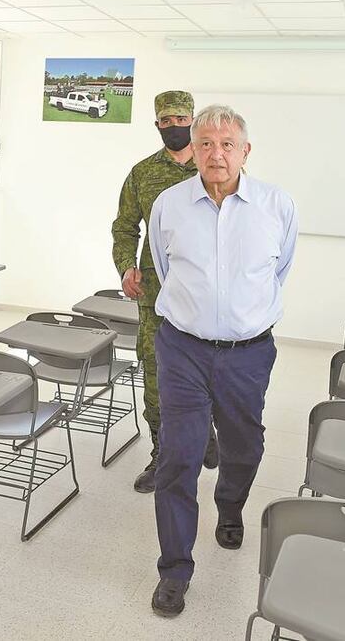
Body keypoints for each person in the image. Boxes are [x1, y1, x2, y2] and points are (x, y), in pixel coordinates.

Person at [147, 104, 298, 617]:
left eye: (227, 144)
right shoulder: (168, 204)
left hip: (247, 354)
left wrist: (236, 319)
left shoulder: (277, 206)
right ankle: (174, 570)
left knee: (244, 446)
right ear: (194, 150)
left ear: (245, 151)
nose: (216, 154)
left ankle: (229, 506)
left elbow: (277, 274)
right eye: (206, 143)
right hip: (183, 349)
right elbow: (164, 271)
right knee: (178, 457)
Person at [111, 90, 220, 494]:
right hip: (156, 293)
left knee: (207, 368)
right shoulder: (142, 173)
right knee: (155, 373)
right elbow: (124, 227)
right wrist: (126, 266)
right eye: (166, 121)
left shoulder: (214, 167)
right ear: (156, 124)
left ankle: (206, 428)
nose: (174, 128)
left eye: (181, 120)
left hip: (206, 292)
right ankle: (161, 453)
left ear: (193, 121)